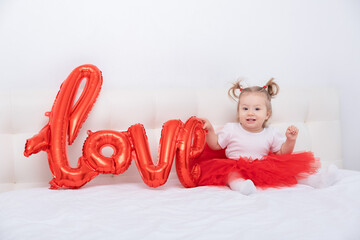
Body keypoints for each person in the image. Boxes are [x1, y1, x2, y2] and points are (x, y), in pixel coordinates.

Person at [198, 78, 338, 195]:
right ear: (238, 111)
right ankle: (242, 187)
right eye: (245, 108)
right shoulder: (231, 129)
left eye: (257, 109)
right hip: (236, 165)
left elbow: (283, 153)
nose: (250, 113)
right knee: (231, 174)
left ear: (267, 114)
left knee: (288, 171)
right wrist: (210, 129)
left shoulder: (271, 133)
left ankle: (317, 180)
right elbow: (215, 144)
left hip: (262, 168)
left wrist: (290, 140)